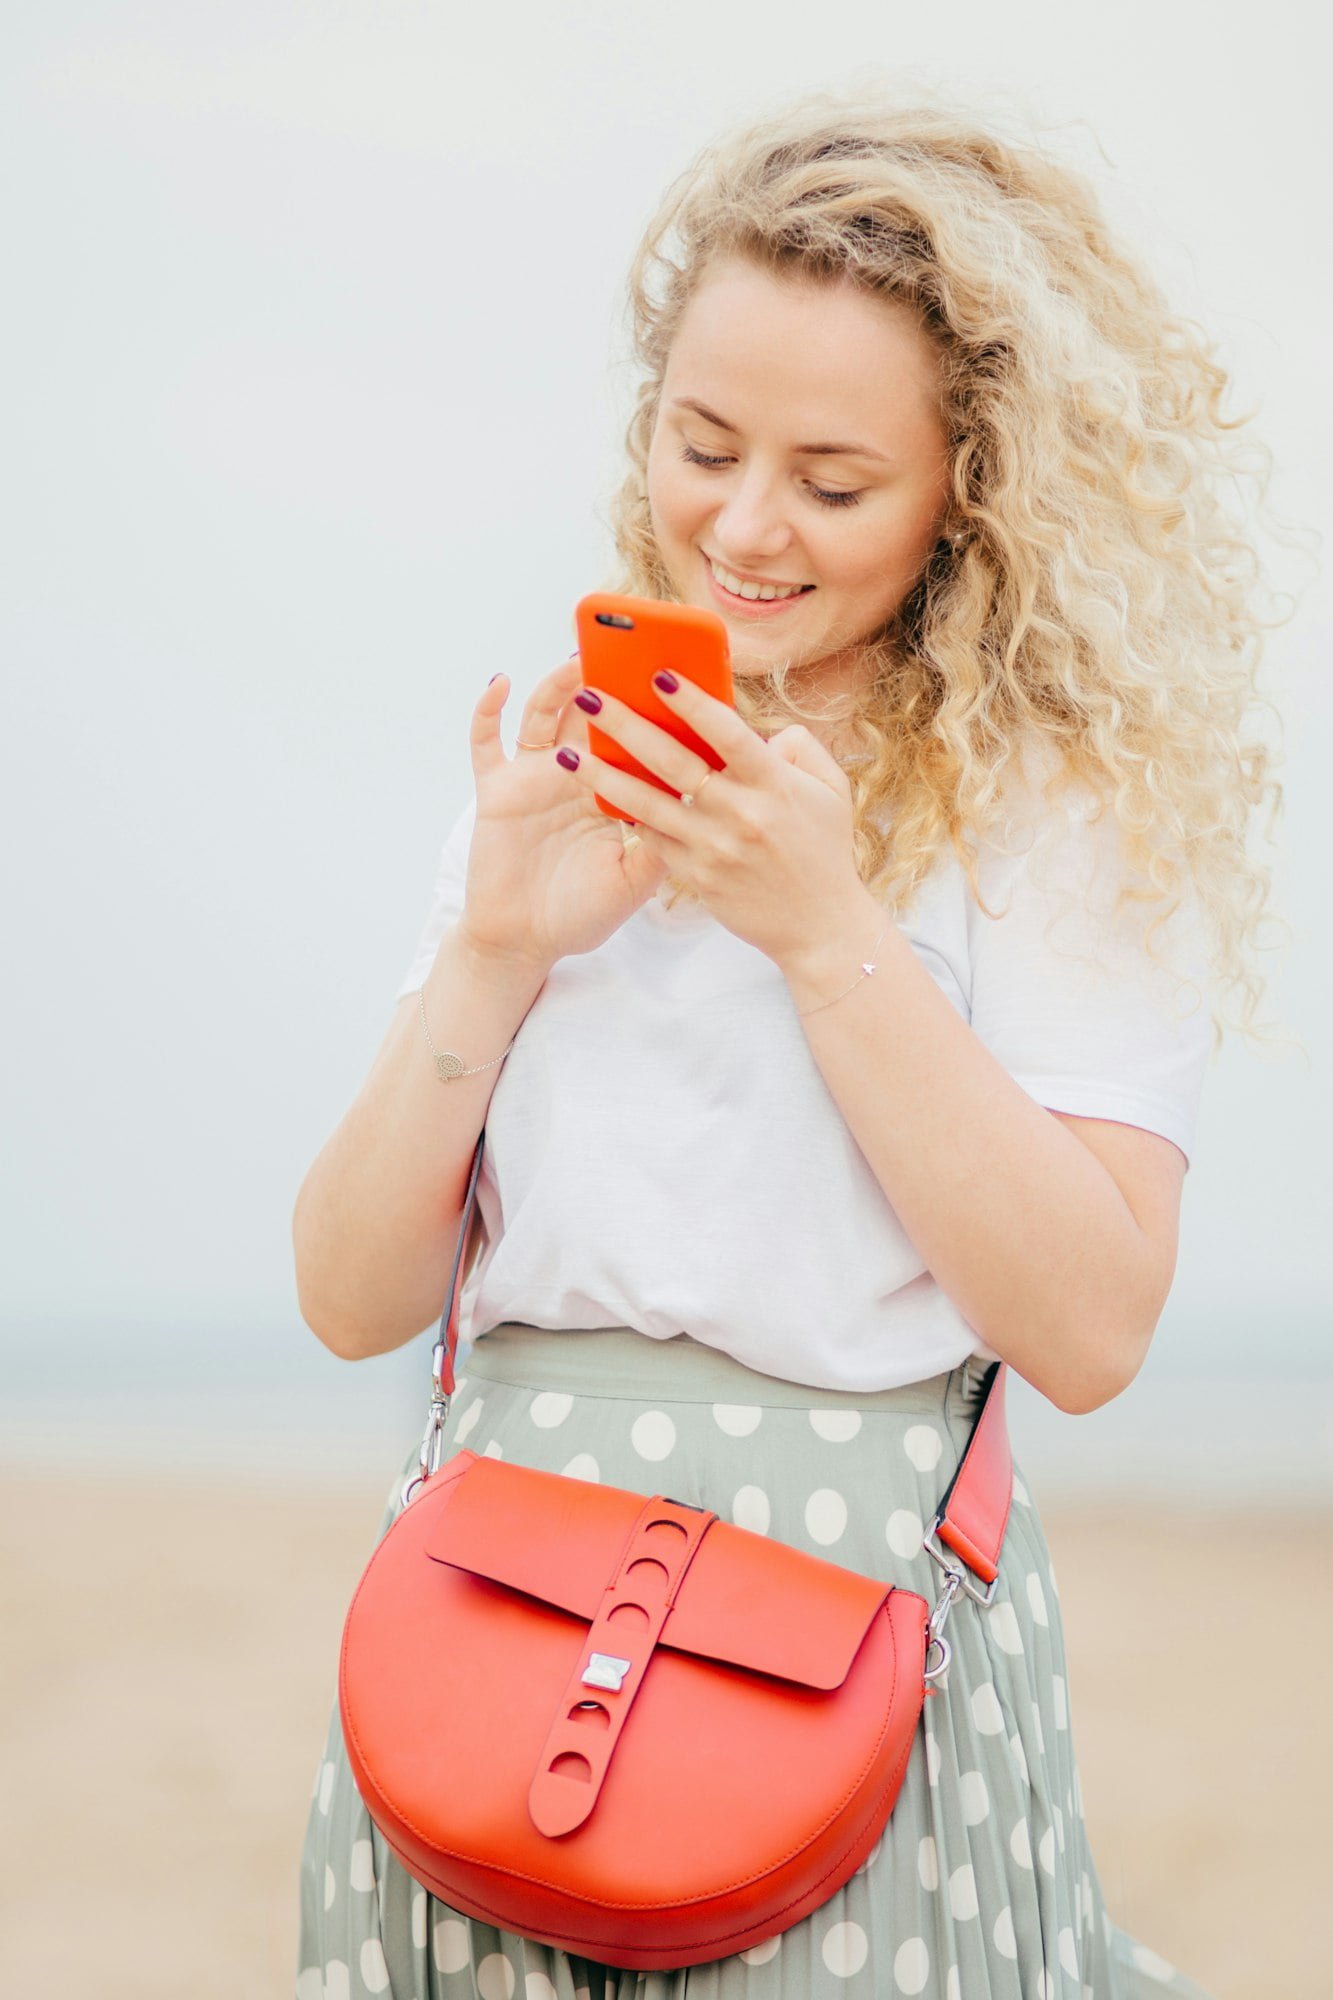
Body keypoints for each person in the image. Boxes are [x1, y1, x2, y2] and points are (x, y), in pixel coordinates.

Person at [291, 85, 1280, 2000]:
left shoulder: (1054, 819)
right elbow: (348, 1297)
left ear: (966, 494)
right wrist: (495, 945)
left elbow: (1086, 1329)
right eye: (702, 444)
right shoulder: (565, 780)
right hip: (480, 1629)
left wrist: (827, 928)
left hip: (839, 1655)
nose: (740, 528)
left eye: (831, 484)